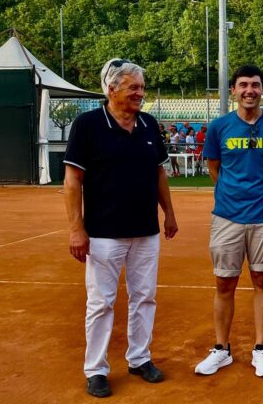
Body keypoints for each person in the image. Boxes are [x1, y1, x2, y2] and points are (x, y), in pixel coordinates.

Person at [63, 58, 178, 398]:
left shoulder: (147, 124)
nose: (140, 94)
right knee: (101, 303)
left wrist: (168, 213)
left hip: (146, 231)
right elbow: (73, 181)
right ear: (111, 90)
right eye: (133, 88)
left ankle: (140, 359)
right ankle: (96, 370)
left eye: (141, 88)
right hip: (102, 234)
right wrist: (76, 228)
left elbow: (159, 173)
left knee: (145, 297)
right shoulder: (87, 125)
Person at [194, 65, 263, 378]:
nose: (249, 90)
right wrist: (231, 194)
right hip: (227, 217)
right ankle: (221, 349)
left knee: (262, 280)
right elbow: (214, 167)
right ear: (234, 90)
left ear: (262, 89)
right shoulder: (219, 126)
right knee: (225, 283)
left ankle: (260, 349)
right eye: (243, 85)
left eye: (255, 85)